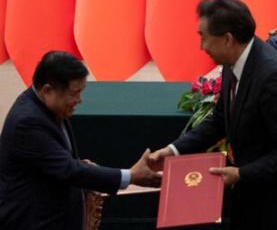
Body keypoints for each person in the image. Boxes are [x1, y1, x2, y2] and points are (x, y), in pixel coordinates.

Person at [148, 0, 277, 229]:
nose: (202, 47)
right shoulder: (234, 61)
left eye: (204, 38)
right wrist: (172, 151)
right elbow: (219, 120)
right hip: (258, 199)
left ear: (227, 39)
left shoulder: (273, 76)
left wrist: (240, 174)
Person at [0, 51, 160, 229]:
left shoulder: (47, 106)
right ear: (47, 90)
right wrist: (130, 176)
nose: (79, 100)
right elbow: (68, 170)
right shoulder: (27, 122)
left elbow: (57, 163)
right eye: (74, 93)